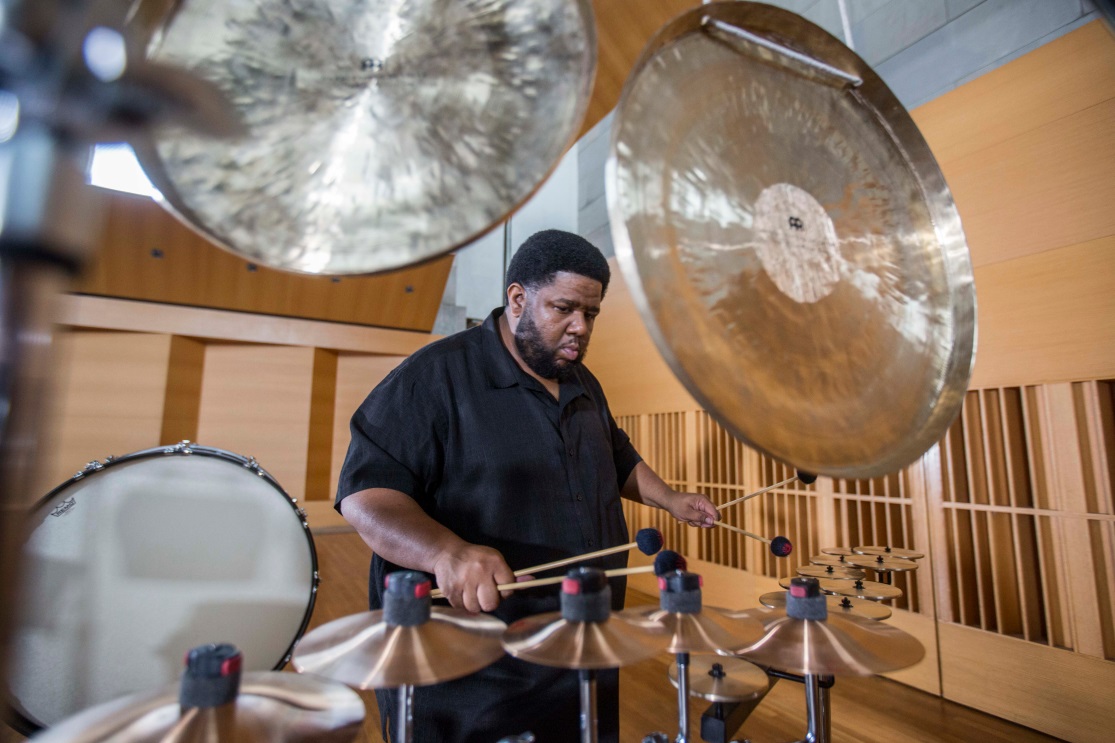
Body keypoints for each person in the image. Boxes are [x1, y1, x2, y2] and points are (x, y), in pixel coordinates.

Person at [335, 229, 719, 743]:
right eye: (564, 308)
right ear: (518, 299)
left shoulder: (583, 382)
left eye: (591, 314)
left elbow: (617, 454)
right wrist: (447, 554)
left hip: (583, 639)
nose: (579, 328)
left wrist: (670, 499)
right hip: (478, 670)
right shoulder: (435, 376)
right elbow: (367, 496)